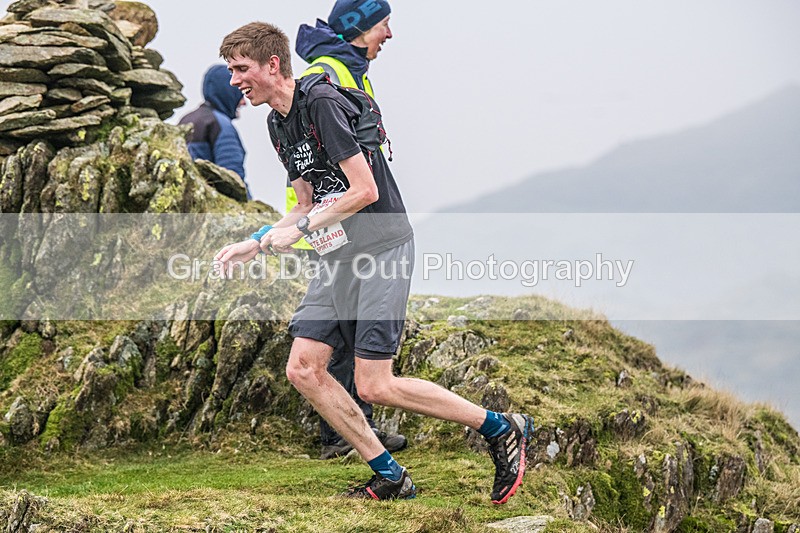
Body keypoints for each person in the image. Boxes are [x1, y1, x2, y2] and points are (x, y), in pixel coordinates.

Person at [214, 18, 534, 503]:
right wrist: (256, 242)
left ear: (272, 64)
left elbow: (364, 190)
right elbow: (304, 202)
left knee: (374, 384)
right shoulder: (277, 122)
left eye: (241, 68)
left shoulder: (319, 102)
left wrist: (300, 230)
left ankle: (500, 426)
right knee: (304, 368)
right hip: (338, 255)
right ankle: (390, 475)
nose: (235, 80)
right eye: (232, 71)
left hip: (381, 247)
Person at [290, 0, 405, 460]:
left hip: (343, 215)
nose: (390, 34)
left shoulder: (351, 69)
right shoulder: (329, 73)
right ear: (359, 27)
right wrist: (312, 225)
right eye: (384, 24)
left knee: (351, 318)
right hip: (331, 216)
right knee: (338, 324)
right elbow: (309, 152)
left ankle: (356, 429)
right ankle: (340, 435)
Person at [179, 64, 250, 199]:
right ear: (228, 93)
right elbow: (233, 180)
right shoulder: (220, 125)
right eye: (240, 93)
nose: (243, 102)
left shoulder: (186, 120)